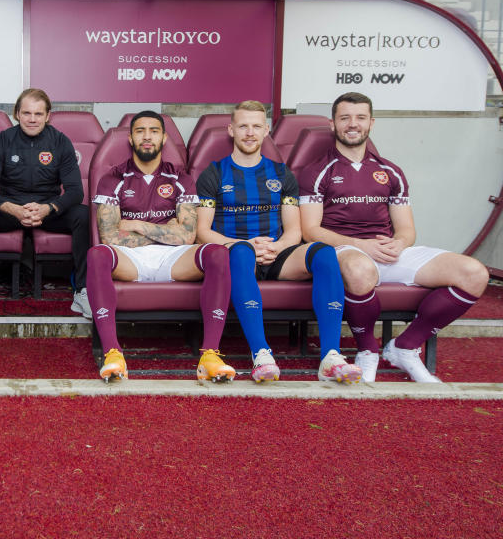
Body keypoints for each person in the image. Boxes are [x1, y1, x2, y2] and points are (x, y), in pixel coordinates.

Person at [299, 92, 489, 382]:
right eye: (345, 118)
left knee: (474, 273)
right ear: (332, 124)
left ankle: (405, 347)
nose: (353, 124)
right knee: (359, 270)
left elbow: (407, 230)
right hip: (344, 251)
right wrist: (362, 245)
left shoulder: (390, 172)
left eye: (360, 117)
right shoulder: (316, 171)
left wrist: (399, 243)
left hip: (386, 249)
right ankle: (367, 350)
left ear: (371, 123)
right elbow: (310, 231)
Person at [195, 100, 362, 384]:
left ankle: (331, 356)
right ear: (231, 130)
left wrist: (276, 247)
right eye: (243, 126)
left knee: (323, 253)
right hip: (236, 255)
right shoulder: (213, 173)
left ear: (266, 130)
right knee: (242, 253)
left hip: (277, 254)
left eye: (256, 126)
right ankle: (261, 354)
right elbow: (202, 232)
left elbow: (295, 231)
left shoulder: (282, 173)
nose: (250, 132)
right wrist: (242, 244)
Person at [88, 111, 233, 383]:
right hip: (130, 259)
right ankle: (112, 353)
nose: (146, 136)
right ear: (130, 138)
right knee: (97, 255)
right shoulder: (112, 178)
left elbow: (188, 236)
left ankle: (210, 355)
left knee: (217, 252)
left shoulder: (181, 178)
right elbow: (110, 237)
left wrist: (138, 225)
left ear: (164, 138)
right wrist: (169, 229)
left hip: (174, 258)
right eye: (140, 131)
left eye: (153, 131)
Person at [0, 88, 90, 318]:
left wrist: (49, 208)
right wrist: (12, 209)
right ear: (17, 114)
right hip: (10, 211)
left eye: (38, 114)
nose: (32, 119)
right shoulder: (3, 140)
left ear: (48, 116)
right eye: (26, 113)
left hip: (48, 211)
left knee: (82, 215)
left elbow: (76, 191)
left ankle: (83, 290)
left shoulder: (60, 142)